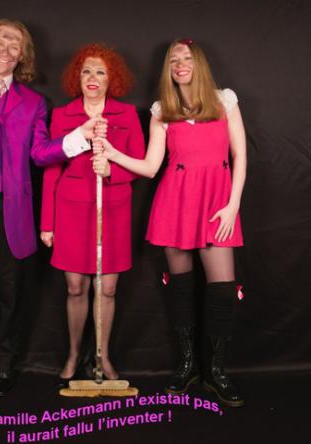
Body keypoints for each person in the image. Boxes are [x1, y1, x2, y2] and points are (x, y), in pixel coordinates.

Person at [0, 19, 104, 397]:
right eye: (1, 40)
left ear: (23, 56)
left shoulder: (34, 103)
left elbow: (40, 153)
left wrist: (79, 137)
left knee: (10, 293)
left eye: (15, 44)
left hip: (13, 210)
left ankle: (4, 365)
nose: (6, 49)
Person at [94, 38, 246, 407]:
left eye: (187, 57)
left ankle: (217, 371)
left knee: (222, 291)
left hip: (217, 204)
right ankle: (188, 365)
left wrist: (232, 206)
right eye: (174, 59)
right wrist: (113, 153)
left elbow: (240, 156)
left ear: (199, 63)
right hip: (175, 203)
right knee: (180, 289)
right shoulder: (162, 110)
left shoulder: (224, 100)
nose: (180, 63)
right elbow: (150, 166)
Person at [40, 43, 145, 386]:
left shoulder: (126, 115)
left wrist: (112, 170)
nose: (93, 77)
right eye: (86, 70)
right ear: (77, 77)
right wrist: (47, 223)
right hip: (70, 211)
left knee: (108, 288)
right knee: (75, 287)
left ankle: (102, 356)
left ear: (112, 79)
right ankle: (74, 354)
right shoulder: (62, 115)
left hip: (113, 210)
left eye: (101, 71)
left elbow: (141, 164)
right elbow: (51, 170)